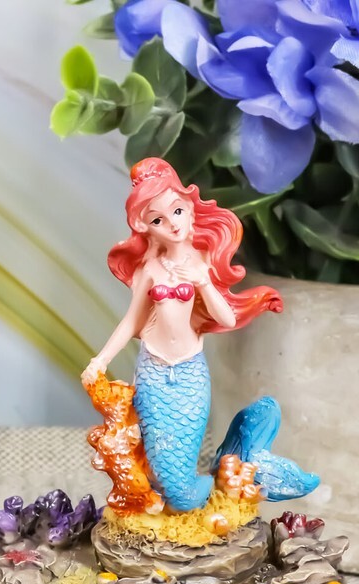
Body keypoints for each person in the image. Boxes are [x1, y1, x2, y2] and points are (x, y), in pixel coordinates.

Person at [80, 157, 311, 511]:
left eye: (176, 211)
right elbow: (130, 322)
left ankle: (233, 462)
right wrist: (100, 361)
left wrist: (203, 282)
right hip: (154, 375)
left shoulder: (201, 265)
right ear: (146, 227)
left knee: (181, 488)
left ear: (189, 210)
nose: (171, 224)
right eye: (157, 219)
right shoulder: (151, 269)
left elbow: (226, 319)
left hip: (189, 375)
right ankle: (210, 482)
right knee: (166, 476)